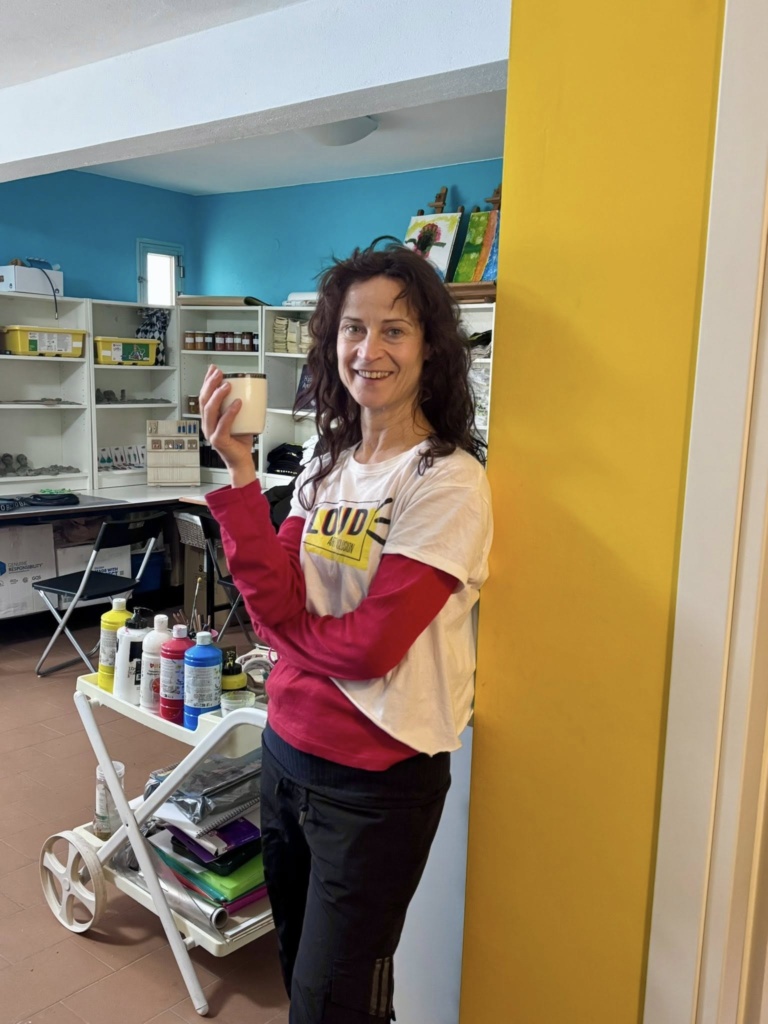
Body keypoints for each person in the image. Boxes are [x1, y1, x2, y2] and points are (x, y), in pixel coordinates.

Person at [199, 241, 493, 1023]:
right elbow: (269, 594)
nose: (370, 350)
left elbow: (370, 647)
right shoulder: (327, 463)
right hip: (285, 757)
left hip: (375, 784)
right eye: (353, 329)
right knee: (309, 980)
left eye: (394, 330)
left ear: (429, 347)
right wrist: (240, 472)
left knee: (333, 1003)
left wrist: (286, 631)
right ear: (332, 343)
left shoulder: (447, 480)